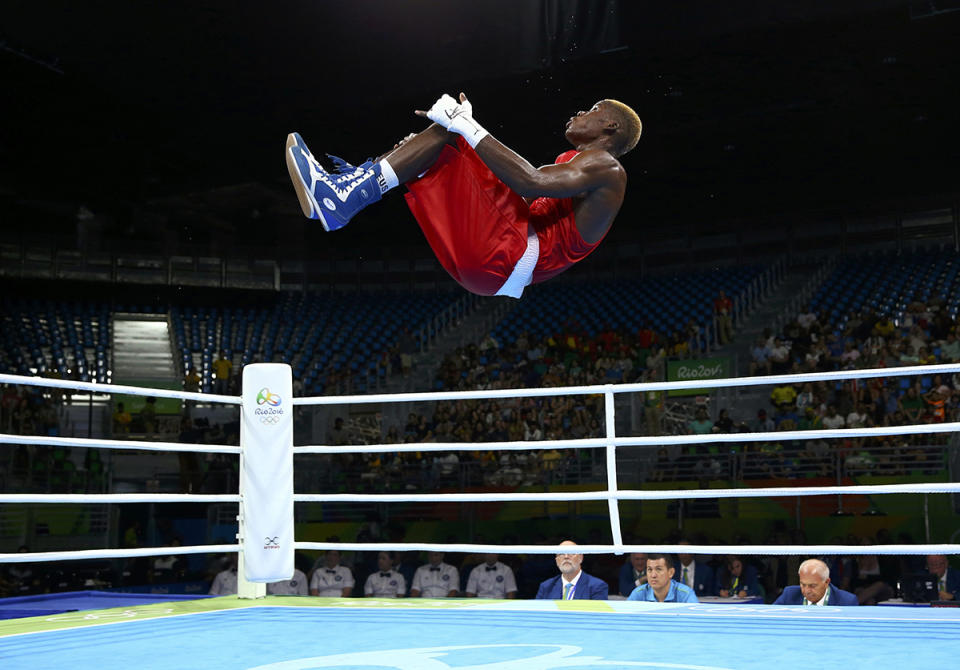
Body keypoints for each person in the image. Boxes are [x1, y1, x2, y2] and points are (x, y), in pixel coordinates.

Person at [286, 93, 640, 298]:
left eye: (592, 110)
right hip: (496, 265)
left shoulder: (608, 169)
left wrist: (467, 126)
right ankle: (347, 192)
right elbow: (520, 197)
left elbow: (529, 182)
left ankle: (341, 197)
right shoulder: (576, 164)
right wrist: (429, 152)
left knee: (453, 134)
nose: (579, 112)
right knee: (436, 147)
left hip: (508, 256)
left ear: (611, 126)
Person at [535, 540, 608, 600]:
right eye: (561, 554)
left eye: (571, 552)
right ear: (556, 560)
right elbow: (537, 615)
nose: (566, 557)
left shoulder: (597, 586)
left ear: (581, 558)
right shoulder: (546, 587)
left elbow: (597, 617)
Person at [772, 558, 858, 606]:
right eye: (803, 584)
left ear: (826, 582)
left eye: (812, 586)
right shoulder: (789, 594)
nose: (806, 591)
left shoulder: (847, 601)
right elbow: (770, 619)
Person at [627, 554, 698, 603]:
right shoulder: (638, 593)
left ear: (671, 572)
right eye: (649, 569)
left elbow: (696, 622)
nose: (653, 575)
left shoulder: (686, 594)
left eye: (658, 569)